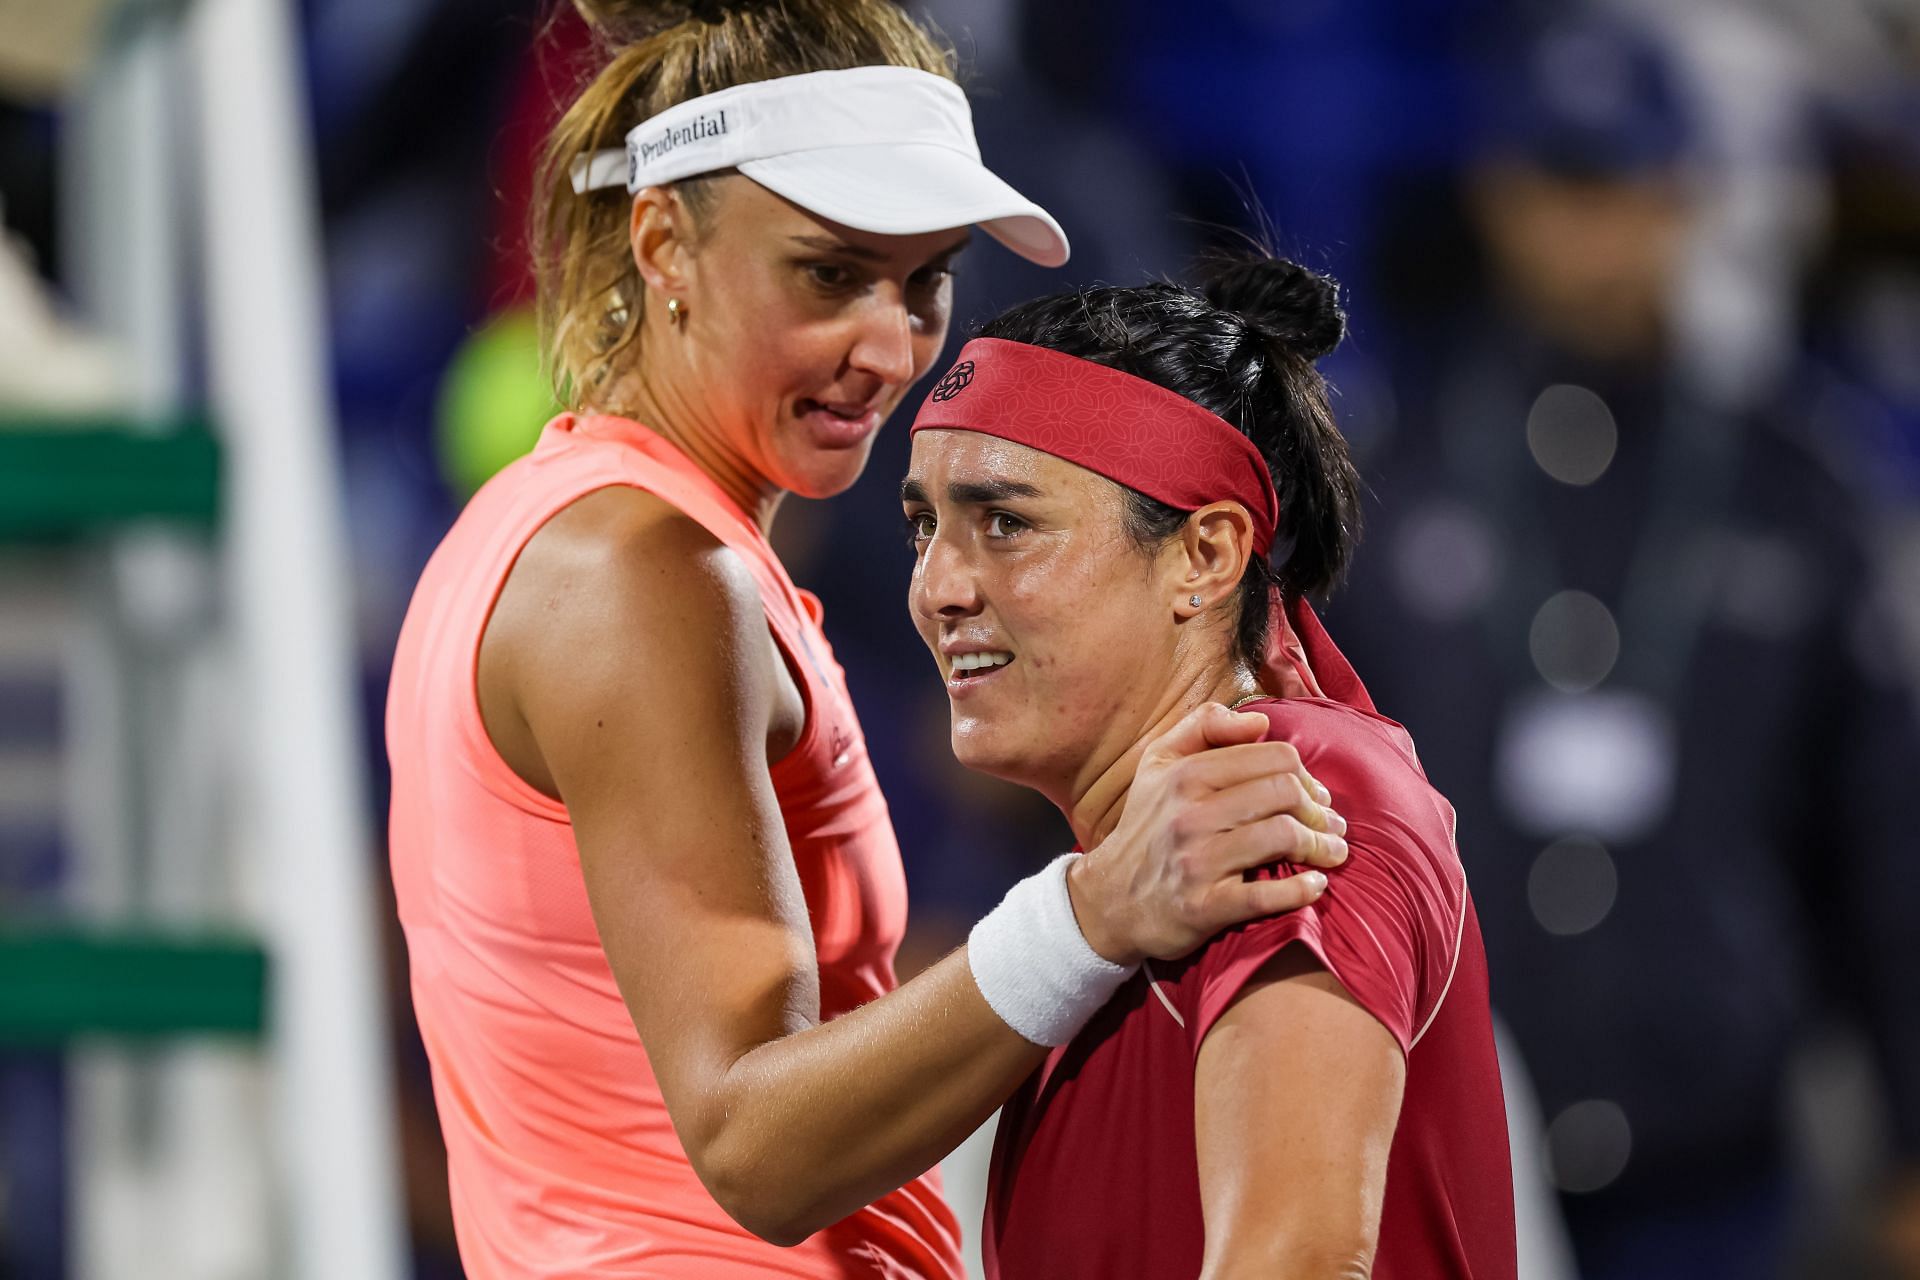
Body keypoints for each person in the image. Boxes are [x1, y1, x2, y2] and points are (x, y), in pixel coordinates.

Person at [384, 3, 1350, 1276]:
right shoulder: (642, 574)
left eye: (926, 280)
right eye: (830, 275)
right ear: (664, 242)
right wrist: (1100, 906)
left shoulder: (592, 537)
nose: (890, 349)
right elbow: (755, 1144)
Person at [1338, 12, 1920, 1277]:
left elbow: (1888, 825)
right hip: (1438, 1140)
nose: (1594, 229)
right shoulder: (1396, 475)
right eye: (1562, 183)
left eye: (1627, 185)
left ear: (1687, 198)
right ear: (1498, 195)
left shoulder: (1793, 485)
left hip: (1719, 1154)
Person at [902, 257, 1519, 1278]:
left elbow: (1297, 1259)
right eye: (924, 525)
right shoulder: (1112, 896)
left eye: (1005, 522)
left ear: (1206, 555)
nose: (937, 588)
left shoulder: (1288, 790)